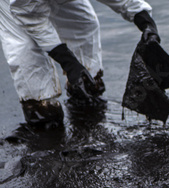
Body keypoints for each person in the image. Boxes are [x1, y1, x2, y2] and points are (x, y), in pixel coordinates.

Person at [0, 0, 160, 129]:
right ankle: (42, 118)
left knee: (83, 25)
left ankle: (86, 92)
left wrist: (146, 22)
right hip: (17, 5)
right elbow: (30, 18)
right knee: (28, 50)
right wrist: (69, 63)